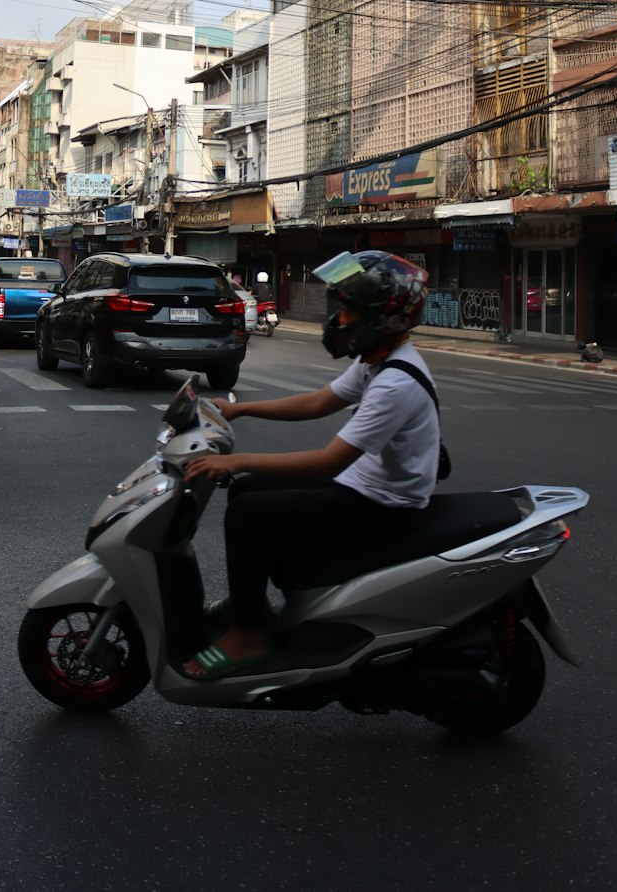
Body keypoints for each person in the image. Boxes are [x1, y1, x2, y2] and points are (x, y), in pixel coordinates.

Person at [183, 250, 439, 680]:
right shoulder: (378, 360)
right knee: (247, 491)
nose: (339, 319)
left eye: (350, 309)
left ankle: (249, 635)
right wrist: (242, 410)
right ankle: (254, 605)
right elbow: (319, 401)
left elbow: (327, 463)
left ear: (385, 318)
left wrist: (235, 461)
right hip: (361, 486)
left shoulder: (395, 381)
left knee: (248, 512)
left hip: (382, 507)